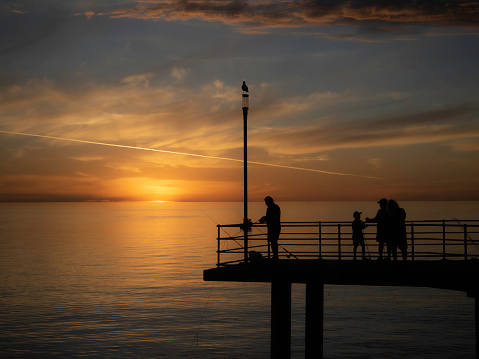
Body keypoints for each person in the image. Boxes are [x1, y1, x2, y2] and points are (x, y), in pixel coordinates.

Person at [259, 196, 281, 260]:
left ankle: (275, 256)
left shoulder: (270, 208)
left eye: (266, 202)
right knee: (274, 242)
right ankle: (275, 255)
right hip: (276, 227)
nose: (266, 203)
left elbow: (270, 217)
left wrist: (264, 218)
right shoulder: (276, 207)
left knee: (273, 242)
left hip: (273, 227)